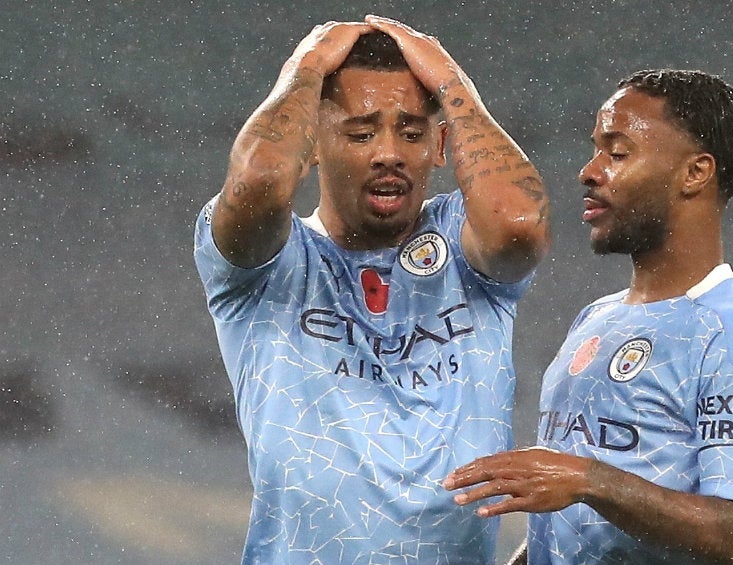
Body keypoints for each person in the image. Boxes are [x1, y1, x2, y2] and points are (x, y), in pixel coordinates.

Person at [193, 15, 549, 565]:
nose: (389, 153)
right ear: (311, 144)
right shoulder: (267, 266)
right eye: (361, 134)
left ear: (441, 144)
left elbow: (519, 221)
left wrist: (451, 82)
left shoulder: (463, 243)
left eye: (412, 133)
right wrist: (307, 66)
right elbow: (261, 179)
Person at [444, 69, 733, 565]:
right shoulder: (598, 318)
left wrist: (588, 479)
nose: (589, 172)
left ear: (695, 173)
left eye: (617, 153)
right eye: (596, 150)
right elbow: (573, 524)